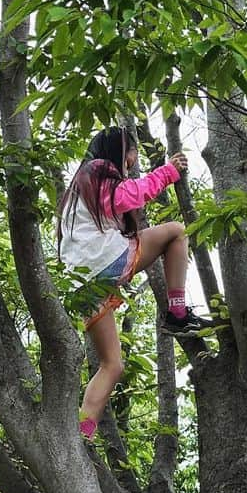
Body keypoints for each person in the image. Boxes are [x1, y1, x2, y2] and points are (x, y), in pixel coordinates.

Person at [58, 126, 207, 441]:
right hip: (104, 263)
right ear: (120, 151)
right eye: (130, 158)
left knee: (112, 365)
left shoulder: (77, 188)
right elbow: (127, 197)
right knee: (177, 231)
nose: (130, 166)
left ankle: (82, 433)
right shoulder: (98, 170)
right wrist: (167, 173)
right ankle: (178, 314)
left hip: (82, 286)